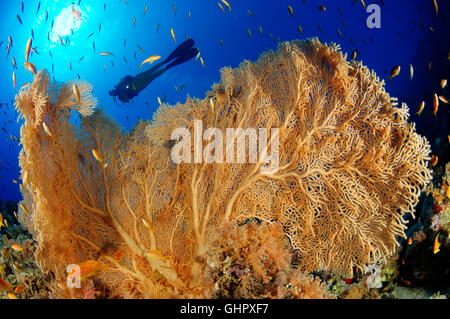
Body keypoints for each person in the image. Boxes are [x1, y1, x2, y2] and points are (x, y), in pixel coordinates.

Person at [109, 39, 198, 103]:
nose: (114, 92)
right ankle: (167, 66)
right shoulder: (120, 97)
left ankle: (165, 62)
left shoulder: (119, 85)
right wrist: (123, 94)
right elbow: (128, 100)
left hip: (136, 79)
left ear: (113, 90)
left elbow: (126, 77)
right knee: (153, 76)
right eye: (113, 94)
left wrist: (125, 82)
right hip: (139, 86)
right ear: (114, 96)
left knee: (150, 70)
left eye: (112, 91)